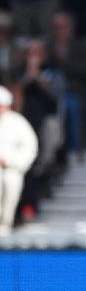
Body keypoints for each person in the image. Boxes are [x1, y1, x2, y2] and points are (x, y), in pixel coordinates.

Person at [0, 85, 38, 234]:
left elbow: (30, 148)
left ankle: (5, 226)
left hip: (12, 170)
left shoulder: (17, 122)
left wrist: (10, 161)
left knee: (10, 187)